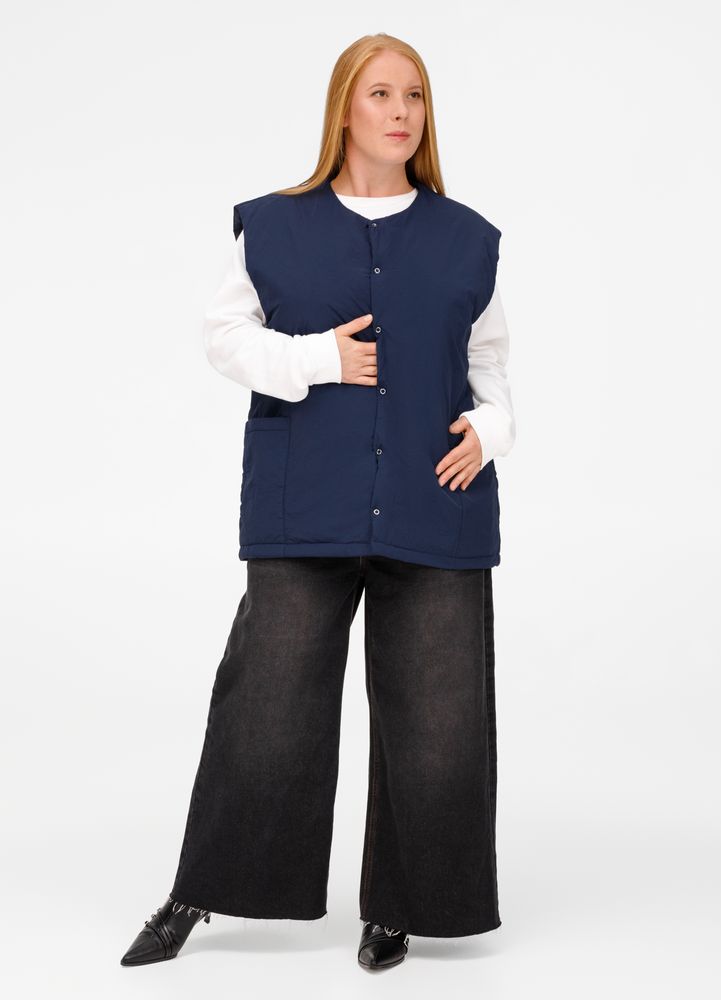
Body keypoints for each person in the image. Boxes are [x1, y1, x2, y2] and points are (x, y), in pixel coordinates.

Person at [120, 31, 516, 973]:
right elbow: (223, 336)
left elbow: (491, 366)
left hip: (434, 503)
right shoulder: (274, 224)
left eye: (413, 95)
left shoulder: (467, 238)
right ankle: (200, 892)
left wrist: (491, 431)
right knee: (267, 707)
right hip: (306, 503)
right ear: (344, 107)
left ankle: (400, 910)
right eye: (381, 93)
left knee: (438, 721)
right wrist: (316, 359)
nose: (400, 111)